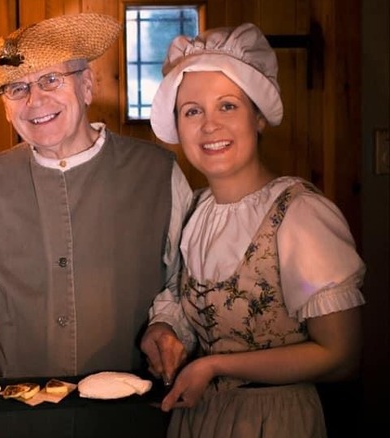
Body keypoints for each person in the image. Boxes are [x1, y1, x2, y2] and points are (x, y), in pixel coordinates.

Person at [0, 13, 195, 437]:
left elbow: (185, 282)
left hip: (131, 419)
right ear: (6, 108)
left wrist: (168, 325)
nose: (35, 101)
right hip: (16, 424)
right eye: (17, 88)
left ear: (87, 84)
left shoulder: (158, 174)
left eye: (51, 81)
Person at [141, 23, 367, 437]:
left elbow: (341, 355)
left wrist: (215, 365)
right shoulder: (195, 211)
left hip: (276, 421)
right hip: (200, 418)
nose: (209, 126)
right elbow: (192, 308)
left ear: (259, 117)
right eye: (193, 111)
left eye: (228, 106)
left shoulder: (299, 214)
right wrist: (165, 331)